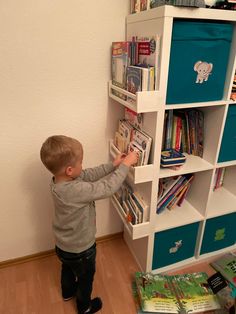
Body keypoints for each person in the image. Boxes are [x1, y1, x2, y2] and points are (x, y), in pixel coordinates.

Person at [40, 135, 138, 314]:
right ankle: (84, 306)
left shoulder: (57, 181)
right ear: (70, 170)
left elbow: (87, 174)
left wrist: (113, 165)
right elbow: (108, 188)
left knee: (67, 269)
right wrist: (125, 165)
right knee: (85, 278)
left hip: (63, 246)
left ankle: (67, 292)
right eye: (81, 163)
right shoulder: (75, 189)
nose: (83, 167)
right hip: (82, 249)